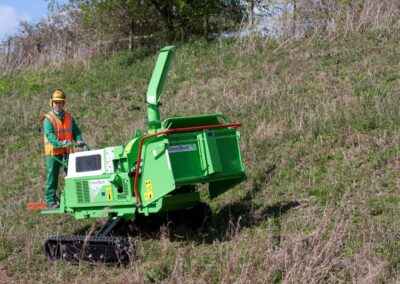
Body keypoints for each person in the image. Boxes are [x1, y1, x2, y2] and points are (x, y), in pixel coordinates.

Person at [40, 89, 84, 209]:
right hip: (53, 152)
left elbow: (76, 130)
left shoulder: (69, 117)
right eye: (56, 102)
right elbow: (49, 135)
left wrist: (79, 139)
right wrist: (60, 143)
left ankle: (73, 198)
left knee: (72, 175)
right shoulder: (48, 118)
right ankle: (50, 201)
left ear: (63, 103)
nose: (58, 105)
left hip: (67, 151)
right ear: (52, 103)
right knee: (52, 177)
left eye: (60, 102)